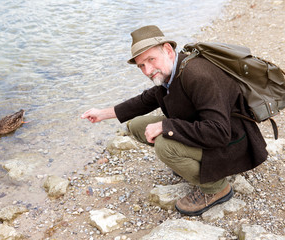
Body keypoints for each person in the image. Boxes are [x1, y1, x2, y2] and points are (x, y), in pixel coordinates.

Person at [81, 25, 268, 216]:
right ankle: (192, 165)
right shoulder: (173, 70)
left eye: (151, 59)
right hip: (206, 129)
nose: (147, 70)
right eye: (141, 66)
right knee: (136, 126)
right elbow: (145, 100)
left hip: (234, 143)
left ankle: (216, 188)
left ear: (168, 50)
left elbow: (219, 132)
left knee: (165, 145)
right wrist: (103, 113)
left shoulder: (197, 75)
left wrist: (166, 126)